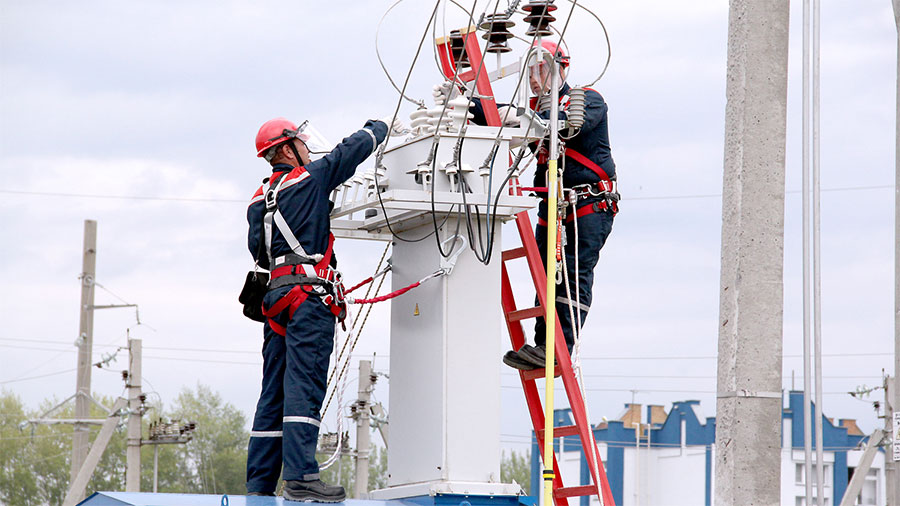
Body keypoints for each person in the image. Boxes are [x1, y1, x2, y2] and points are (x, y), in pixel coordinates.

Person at [245, 116, 394, 500]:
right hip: (308, 299)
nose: (309, 149)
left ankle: (260, 484)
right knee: (304, 385)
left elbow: (258, 252)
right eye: (302, 143)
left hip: (275, 298)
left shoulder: (258, 199)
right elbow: (349, 153)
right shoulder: (308, 180)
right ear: (286, 148)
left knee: (272, 392)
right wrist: (377, 128)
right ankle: (300, 476)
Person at [462, 40, 618, 370]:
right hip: (555, 208)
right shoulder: (534, 113)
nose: (535, 78)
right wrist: (467, 104)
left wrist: (513, 114)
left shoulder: (587, 101)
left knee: (573, 274)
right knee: (546, 275)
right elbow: (511, 118)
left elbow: (555, 122)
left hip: (586, 204)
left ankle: (559, 347)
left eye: (542, 69)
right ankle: (542, 346)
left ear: (562, 68)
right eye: (531, 71)